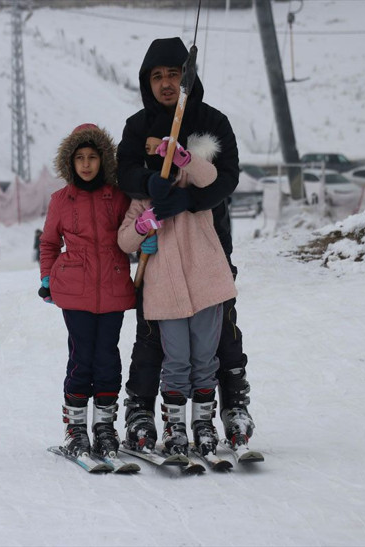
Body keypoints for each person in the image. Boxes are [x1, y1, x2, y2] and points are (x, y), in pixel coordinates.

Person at [116, 36, 255, 451]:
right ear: (147, 82)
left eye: (173, 74)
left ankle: (233, 405)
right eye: (157, 76)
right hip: (157, 250)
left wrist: (189, 201)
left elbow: (227, 176)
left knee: (220, 329)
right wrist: (150, 185)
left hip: (208, 242)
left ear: (187, 78)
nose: (165, 83)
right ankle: (141, 408)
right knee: (153, 329)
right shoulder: (137, 126)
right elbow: (123, 171)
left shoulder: (214, 121)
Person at [117, 135, 237, 457]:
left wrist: (185, 159)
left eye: (168, 155)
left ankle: (203, 424)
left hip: (206, 285)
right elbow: (124, 241)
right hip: (165, 291)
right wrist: (142, 227)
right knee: (177, 360)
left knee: (205, 360)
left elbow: (211, 177)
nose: (164, 163)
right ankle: (175, 425)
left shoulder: (195, 186)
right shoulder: (144, 198)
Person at [39, 123, 136, 458]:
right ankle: (76, 431)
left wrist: (143, 235)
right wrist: (46, 278)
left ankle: (105, 429)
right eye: (79, 157)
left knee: (108, 359)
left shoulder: (119, 196)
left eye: (92, 157)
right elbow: (50, 243)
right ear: (70, 162)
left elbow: (129, 235)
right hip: (75, 291)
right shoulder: (60, 200)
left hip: (112, 288)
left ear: (102, 159)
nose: (86, 164)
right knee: (82, 359)